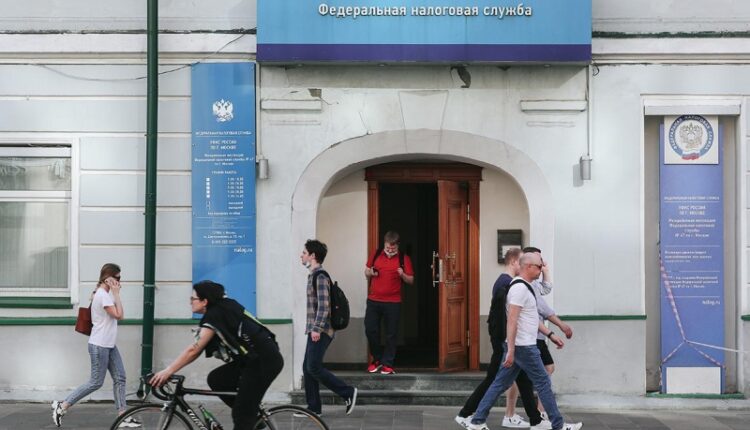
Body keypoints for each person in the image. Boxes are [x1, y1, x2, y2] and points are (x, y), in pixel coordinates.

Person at [468, 253, 582, 430]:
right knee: (543, 383)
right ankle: (558, 425)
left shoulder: (524, 286)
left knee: (499, 384)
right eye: (539, 266)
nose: (541, 270)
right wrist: (511, 350)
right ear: (528, 266)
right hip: (524, 347)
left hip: (521, 346)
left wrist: (551, 335)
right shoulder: (519, 289)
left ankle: (477, 421)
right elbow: (512, 320)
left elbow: (529, 318)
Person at [150, 281, 283, 430]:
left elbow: (194, 350)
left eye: (193, 299)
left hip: (263, 362)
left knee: (242, 413)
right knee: (217, 379)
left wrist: (168, 371)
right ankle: (253, 416)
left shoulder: (215, 314)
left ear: (205, 301)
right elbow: (197, 349)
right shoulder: (224, 307)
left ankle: (248, 414)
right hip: (254, 359)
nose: (190, 302)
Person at [455, 248, 546, 429]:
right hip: (504, 341)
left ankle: (536, 420)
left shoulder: (507, 282)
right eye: (520, 262)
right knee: (493, 379)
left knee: (523, 380)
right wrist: (506, 342)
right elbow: (504, 317)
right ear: (513, 262)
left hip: (508, 341)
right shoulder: (507, 283)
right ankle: (466, 414)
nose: (523, 265)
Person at [52, 263, 137, 428]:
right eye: (117, 277)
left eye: (120, 278)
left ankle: (123, 417)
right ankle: (62, 405)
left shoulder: (102, 293)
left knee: (120, 378)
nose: (119, 281)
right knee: (96, 382)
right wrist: (117, 294)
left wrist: (114, 293)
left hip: (108, 344)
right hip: (100, 345)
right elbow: (119, 315)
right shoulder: (103, 295)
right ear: (107, 278)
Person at [301, 239, 358, 415]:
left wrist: (316, 328)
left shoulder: (320, 276)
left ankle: (347, 392)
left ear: (313, 256)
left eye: (304, 252)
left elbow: (324, 306)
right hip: (315, 329)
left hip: (321, 330)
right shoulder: (313, 275)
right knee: (307, 368)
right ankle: (314, 408)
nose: (301, 255)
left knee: (313, 367)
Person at [518, 246, 573, 422]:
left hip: (537, 335)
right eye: (539, 262)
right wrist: (558, 328)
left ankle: (537, 414)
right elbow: (540, 310)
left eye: (541, 262)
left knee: (527, 375)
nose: (541, 264)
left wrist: (546, 271)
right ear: (528, 262)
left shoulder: (532, 282)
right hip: (531, 337)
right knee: (541, 374)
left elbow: (546, 290)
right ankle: (541, 415)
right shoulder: (523, 285)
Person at [363, 231, 414, 374]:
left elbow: (411, 280)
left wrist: (402, 274)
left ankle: (387, 364)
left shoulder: (404, 258)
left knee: (391, 334)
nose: (390, 251)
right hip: (373, 300)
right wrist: (371, 273)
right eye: (387, 248)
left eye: (393, 248)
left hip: (393, 302)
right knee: (370, 330)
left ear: (398, 246)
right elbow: (366, 272)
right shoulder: (376, 254)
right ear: (384, 244)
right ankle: (377, 359)